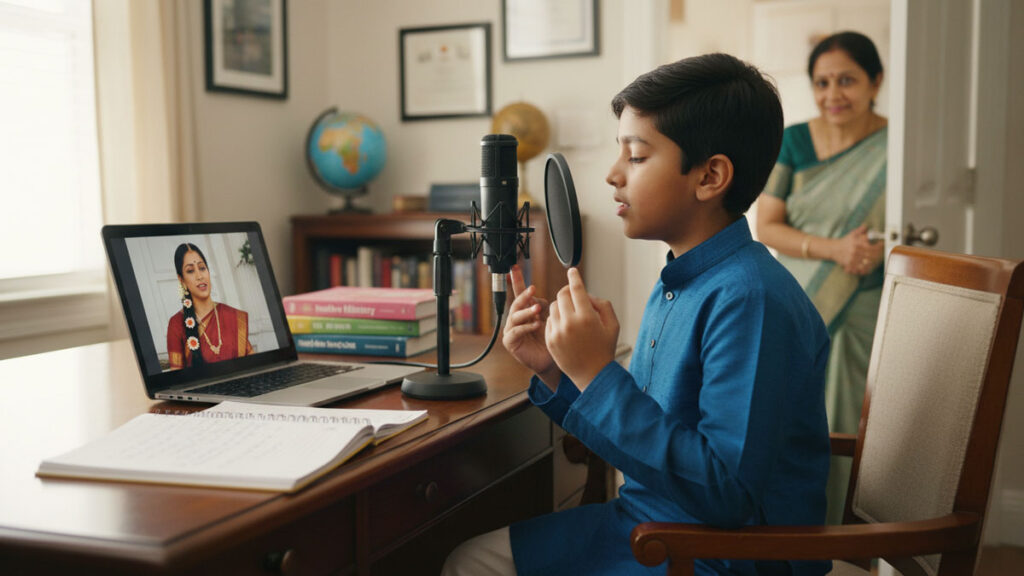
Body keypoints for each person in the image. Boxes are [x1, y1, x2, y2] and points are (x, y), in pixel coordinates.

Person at [442, 53, 831, 576]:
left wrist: (596, 374)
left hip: (713, 555)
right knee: (468, 556)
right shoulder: (683, 278)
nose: (612, 175)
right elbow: (653, 431)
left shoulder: (749, 299)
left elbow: (726, 493)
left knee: (472, 564)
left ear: (710, 175)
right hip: (652, 522)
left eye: (637, 157)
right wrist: (557, 370)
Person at [755, 31, 887, 525]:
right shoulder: (794, 140)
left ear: (876, 81)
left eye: (847, 80)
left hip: (864, 306)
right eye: (822, 82)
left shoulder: (899, 145)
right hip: (799, 302)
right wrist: (836, 249)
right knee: (790, 421)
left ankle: (852, 536)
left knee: (856, 425)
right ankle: (793, 531)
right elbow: (766, 226)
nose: (833, 94)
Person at [166, 242, 253, 370]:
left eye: (202, 268)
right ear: (181, 279)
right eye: (190, 271)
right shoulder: (176, 324)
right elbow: (176, 380)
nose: (199, 276)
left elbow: (253, 363)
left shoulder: (231, 315)